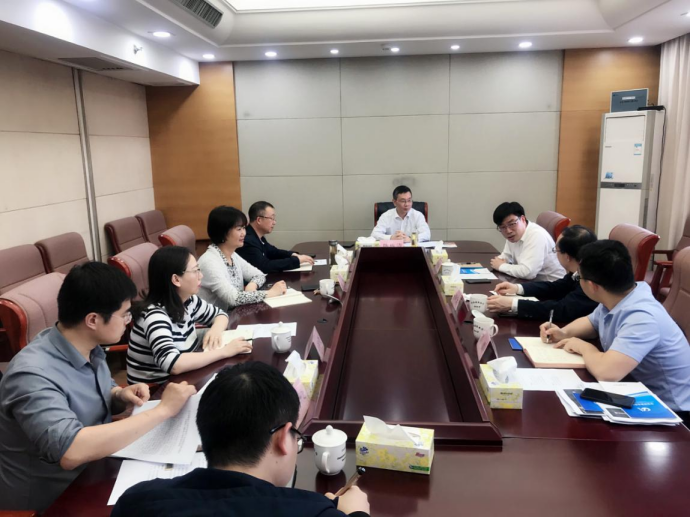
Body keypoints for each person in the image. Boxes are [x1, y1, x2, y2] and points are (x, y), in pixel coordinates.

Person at [0, 262, 198, 512]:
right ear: (93, 320)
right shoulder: (31, 374)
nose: (128, 322)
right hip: (54, 499)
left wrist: (118, 394)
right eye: (125, 314)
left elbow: (94, 392)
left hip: (98, 469)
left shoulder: (86, 344)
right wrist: (163, 410)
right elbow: (71, 450)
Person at [113, 362, 371, 517]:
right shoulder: (315, 511)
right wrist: (357, 513)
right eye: (297, 438)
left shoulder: (137, 501)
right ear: (283, 438)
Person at [542, 240, 690, 419]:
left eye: (579, 277)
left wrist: (584, 347)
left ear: (593, 286)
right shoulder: (619, 296)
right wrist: (564, 332)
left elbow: (607, 373)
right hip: (633, 389)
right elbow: (592, 322)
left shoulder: (642, 317)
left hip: (672, 412)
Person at [128, 246, 253, 385]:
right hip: (155, 390)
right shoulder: (155, 316)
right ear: (176, 279)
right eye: (195, 271)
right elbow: (173, 364)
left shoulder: (189, 300)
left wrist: (216, 330)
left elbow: (220, 315)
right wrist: (225, 352)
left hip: (185, 378)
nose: (201, 276)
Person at [487, 225, 599, 321]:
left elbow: (563, 310)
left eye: (556, 250)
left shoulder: (591, 280)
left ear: (567, 256)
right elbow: (556, 287)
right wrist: (518, 288)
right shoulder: (580, 270)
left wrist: (512, 304)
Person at [198, 206, 288, 310]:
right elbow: (234, 298)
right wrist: (271, 293)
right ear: (222, 232)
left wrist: (252, 285)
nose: (244, 233)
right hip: (216, 319)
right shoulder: (209, 262)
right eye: (239, 229)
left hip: (235, 313)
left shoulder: (232, 255)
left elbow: (259, 274)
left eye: (244, 228)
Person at [490, 202, 566, 282]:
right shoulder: (513, 235)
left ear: (523, 219)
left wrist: (501, 266)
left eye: (512, 224)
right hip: (531, 283)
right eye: (502, 227)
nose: (508, 231)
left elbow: (528, 272)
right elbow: (506, 257)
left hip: (552, 285)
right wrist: (499, 262)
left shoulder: (536, 235)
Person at [237, 201, 315, 274]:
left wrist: (293, 255)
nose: (274, 222)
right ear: (259, 220)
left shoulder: (257, 236)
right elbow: (264, 266)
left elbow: (273, 252)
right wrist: (296, 260)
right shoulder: (247, 240)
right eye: (272, 218)